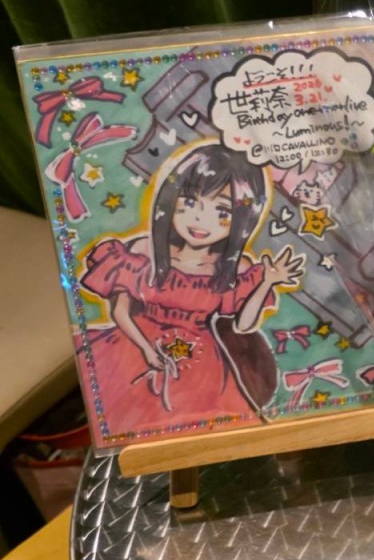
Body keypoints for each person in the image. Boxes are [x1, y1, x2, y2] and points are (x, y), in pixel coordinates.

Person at [77, 142, 305, 443]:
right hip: (131, 344)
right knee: (123, 417)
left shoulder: (233, 268)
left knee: (211, 429)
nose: (200, 219)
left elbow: (244, 325)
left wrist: (266, 282)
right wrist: (146, 349)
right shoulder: (142, 251)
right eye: (189, 202)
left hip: (200, 361)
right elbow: (120, 311)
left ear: (242, 219)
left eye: (222, 211)